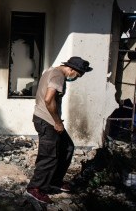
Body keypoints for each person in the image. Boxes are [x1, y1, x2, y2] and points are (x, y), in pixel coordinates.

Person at [25, 56, 92, 204]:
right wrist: (57, 122)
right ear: (71, 69)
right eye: (78, 75)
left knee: (67, 147)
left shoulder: (51, 70)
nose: (77, 78)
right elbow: (49, 100)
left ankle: (55, 180)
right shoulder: (58, 76)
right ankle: (35, 188)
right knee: (49, 156)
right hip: (47, 121)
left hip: (45, 119)